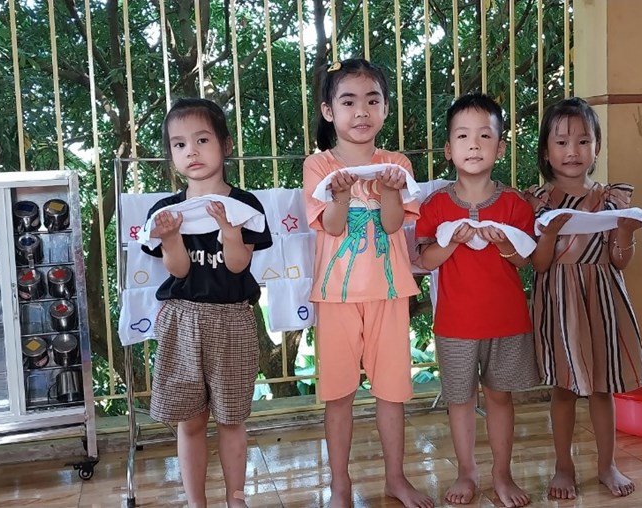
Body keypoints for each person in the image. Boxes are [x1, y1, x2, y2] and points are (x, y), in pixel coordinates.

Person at [302, 58, 434, 508]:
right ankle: (340, 485)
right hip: (335, 296)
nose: (361, 111)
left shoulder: (396, 163)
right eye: (349, 101)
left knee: (391, 393)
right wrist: (340, 196)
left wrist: (392, 189)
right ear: (328, 111)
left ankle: (396, 478)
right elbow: (333, 227)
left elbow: (394, 224)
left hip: (389, 292)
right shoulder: (318, 165)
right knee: (338, 395)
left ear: (385, 108)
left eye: (372, 100)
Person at [142, 97, 273, 507]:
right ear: (171, 154)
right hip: (182, 320)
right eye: (179, 144)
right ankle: (196, 502)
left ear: (225, 145)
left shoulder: (245, 206)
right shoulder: (166, 212)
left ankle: (236, 498)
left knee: (232, 419)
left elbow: (237, 265)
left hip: (233, 319)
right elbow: (179, 270)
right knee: (191, 420)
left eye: (202, 140)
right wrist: (170, 238)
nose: (191, 152)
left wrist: (229, 231)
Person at [414, 93, 540, 507]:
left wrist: (504, 243)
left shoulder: (514, 204)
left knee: (501, 397)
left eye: (484, 136)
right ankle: (466, 473)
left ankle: (502, 475)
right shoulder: (435, 206)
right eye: (463, 136)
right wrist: (452, 243)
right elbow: (425, 259)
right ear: (448, 150)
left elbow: (525, 260)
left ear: (500, 148)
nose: (473, 145)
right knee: (460, 400)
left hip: (507, 321)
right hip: (455, 324)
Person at [526, 97, 642, 499]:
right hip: (560, 302)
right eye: (561, 142)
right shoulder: (539, 201)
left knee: (601, 387)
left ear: (597, 147)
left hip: (601, 301)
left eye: (583, 141)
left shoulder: (611, 198)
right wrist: (548, 233)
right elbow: (539, 265)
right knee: (564, 389)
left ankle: (607, 465)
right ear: (546, 150)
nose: (572, 151)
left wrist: (625, 232)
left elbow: (619, 261)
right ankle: (563, 467)